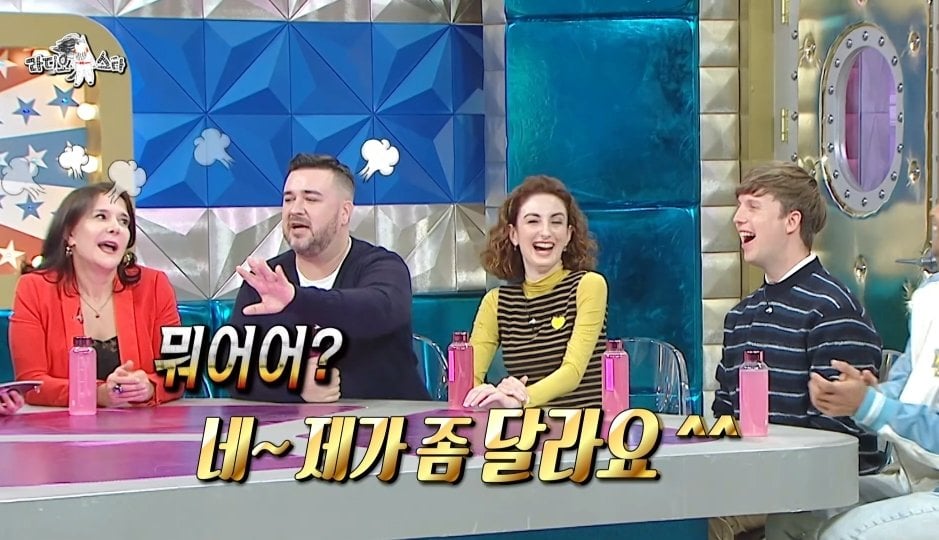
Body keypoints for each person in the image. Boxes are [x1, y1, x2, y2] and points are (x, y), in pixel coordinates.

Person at [710, 162, 885, 539]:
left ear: (792, 221)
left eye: (753, 206)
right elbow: (724, 415)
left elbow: (837, 441)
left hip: (811, 491)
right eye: (739, 206)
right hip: (750, 482)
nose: (738, 218)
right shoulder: (740, 316)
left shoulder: (831, 310)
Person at [765, 204, 939, 540]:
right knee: (791, 518)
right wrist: (864, 394)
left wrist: (869, 406)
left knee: (846, 534)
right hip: (913, 478)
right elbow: (904, 388)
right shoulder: (930, 301)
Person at [224, 153, 429, 403]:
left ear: (344, 213)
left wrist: (296, 300)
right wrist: (294, 385)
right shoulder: (267, 280)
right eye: (289, 199)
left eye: (311, 199)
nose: (295, 210)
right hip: (294, 426)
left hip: (391, 423)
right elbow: (232, 369)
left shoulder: (383, 266)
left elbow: (377, 310)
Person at [9, 182, 184, 407]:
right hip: (63, 427)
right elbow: (31, 383)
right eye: (101, 216)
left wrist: (149, 386)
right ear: (70, 233)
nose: (116, 228)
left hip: (143, 425)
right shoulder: (35, 289)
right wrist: (97, 394)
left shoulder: (154, 285)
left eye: (124, 221)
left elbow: (178, 375)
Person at [462, 175, 608, 409]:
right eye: (533, 221)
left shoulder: (589, 285)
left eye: (556, 222)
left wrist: (521, 399)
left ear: (569, 235)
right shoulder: (496, 302)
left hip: (585, 424)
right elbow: (468, 378)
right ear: (514, 234)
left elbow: (572, 371)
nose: (545, 232)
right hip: (526, 426)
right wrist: (487, 394)